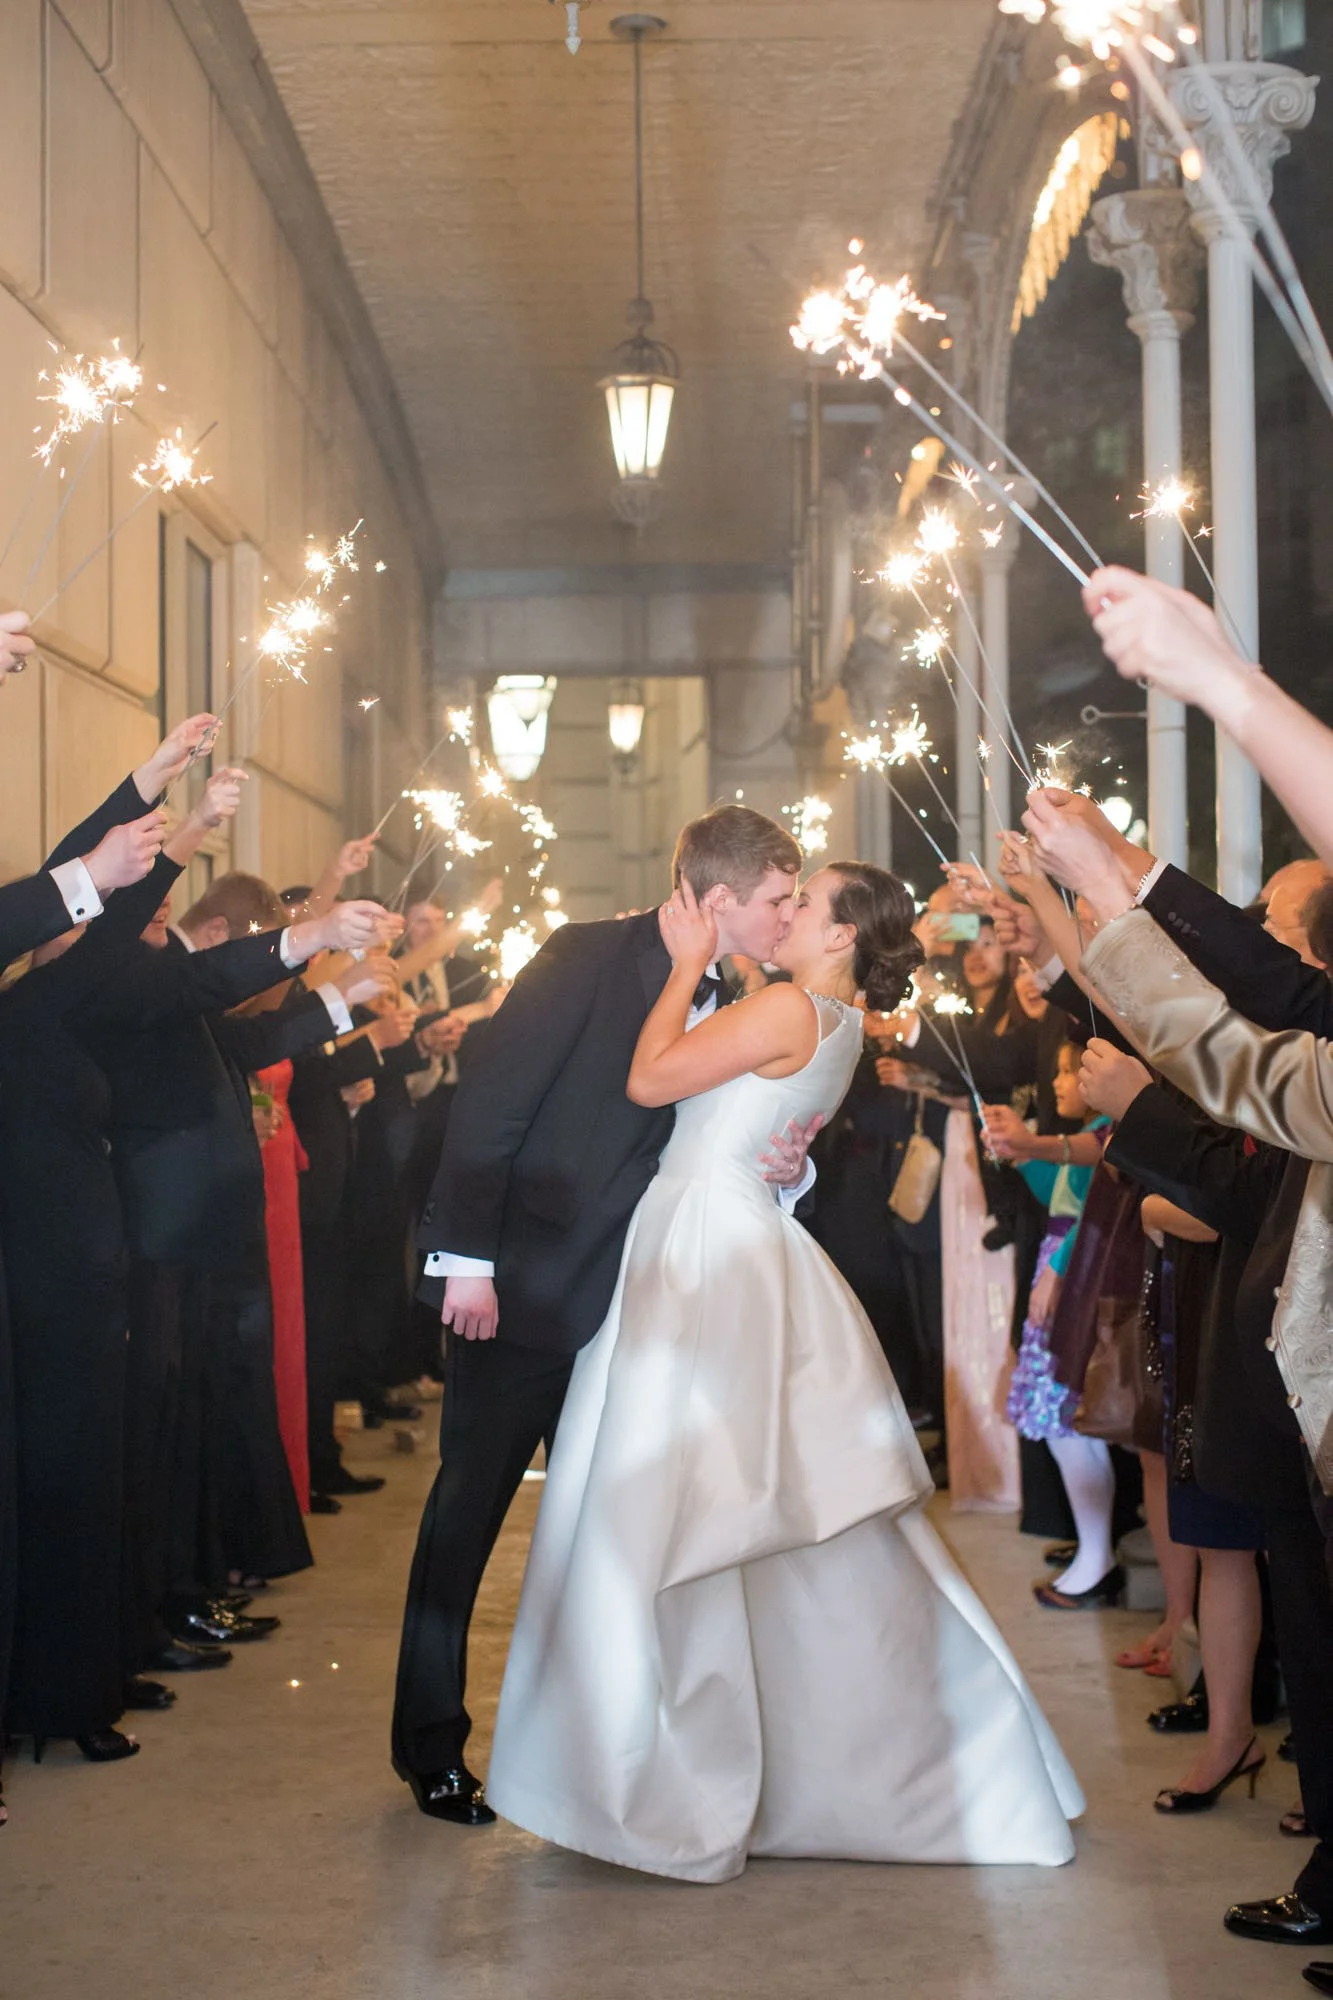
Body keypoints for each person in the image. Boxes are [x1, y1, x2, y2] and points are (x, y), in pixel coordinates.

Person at [484, 862, 1082, 1881]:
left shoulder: (783, 1004)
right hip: (732, 1229)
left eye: (805, 902)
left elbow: (650, 1079)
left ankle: (670, 1765)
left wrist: (679, 968)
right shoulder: (837, 1019)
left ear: (844, 932)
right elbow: (771, 1132)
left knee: (669, 1493)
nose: (787, 909)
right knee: (725, 1502)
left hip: (703, 1246)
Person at [394, 805, 822, 1824]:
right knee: (469, 1515)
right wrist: (466, 1261)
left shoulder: (751, 995)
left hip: (654, 1303)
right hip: (526, 1292)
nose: (788, 915)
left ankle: (607, 1752)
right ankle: (429, 1742)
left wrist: (789, 1169)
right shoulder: (584, 954)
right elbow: (490, 1101)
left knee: (619, 1536)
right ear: (717, 900)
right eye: (776, 899)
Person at [984, 1047, 1118, 1605]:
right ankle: (1093, 1546)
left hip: (1070, 1272)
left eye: (1070, 1070)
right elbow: (1055, 1196)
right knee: (1062, 1425)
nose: (1062, 1080)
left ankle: (1097, 1553)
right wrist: (1018, 1152)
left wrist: (1058, 1272)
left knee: (1069, 1421)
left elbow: (1092, 1218)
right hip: (1057, 1264)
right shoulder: (1084, 1135)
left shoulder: (1107, 1137)